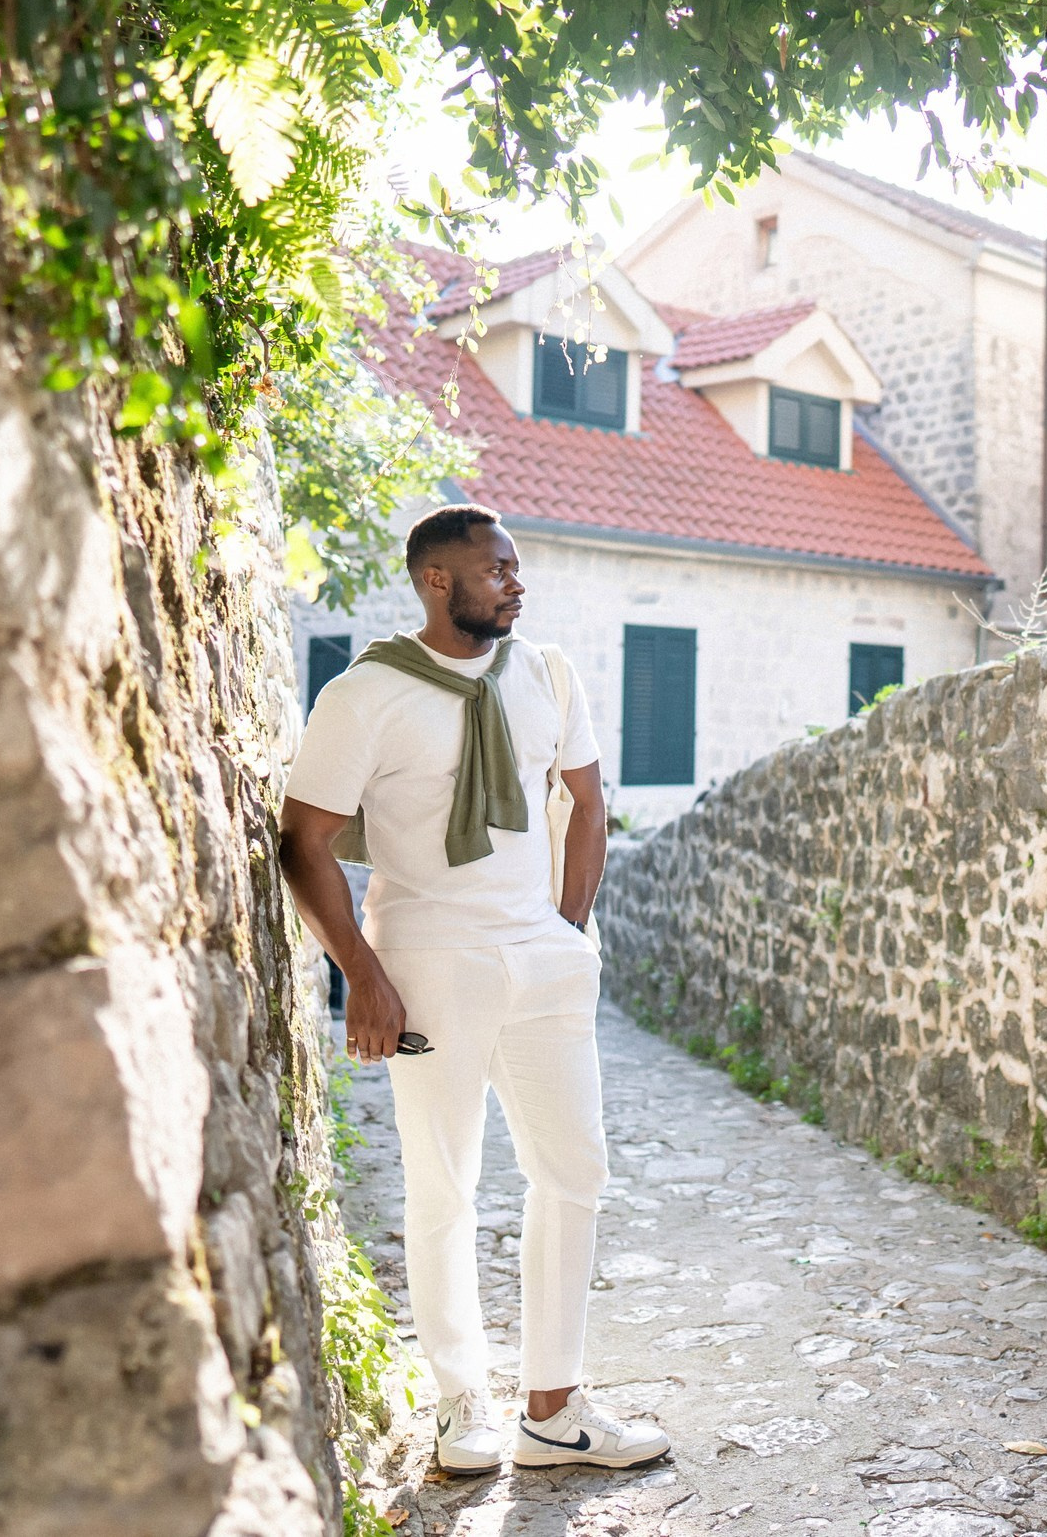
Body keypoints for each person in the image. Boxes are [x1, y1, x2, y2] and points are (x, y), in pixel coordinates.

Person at [278, 504, 669, 1474]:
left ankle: (554, 1406)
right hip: (428, 962)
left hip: (541, 961)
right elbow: (304, 842)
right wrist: (360, 976)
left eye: (518, 567)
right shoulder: (365, 695)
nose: (516, 583)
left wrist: (565, 935)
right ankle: (462, 1404)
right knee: (443, 1186)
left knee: (574, 1173)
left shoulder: (547, 674)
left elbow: (587, 801)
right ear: (437, 581)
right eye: (497, 570)